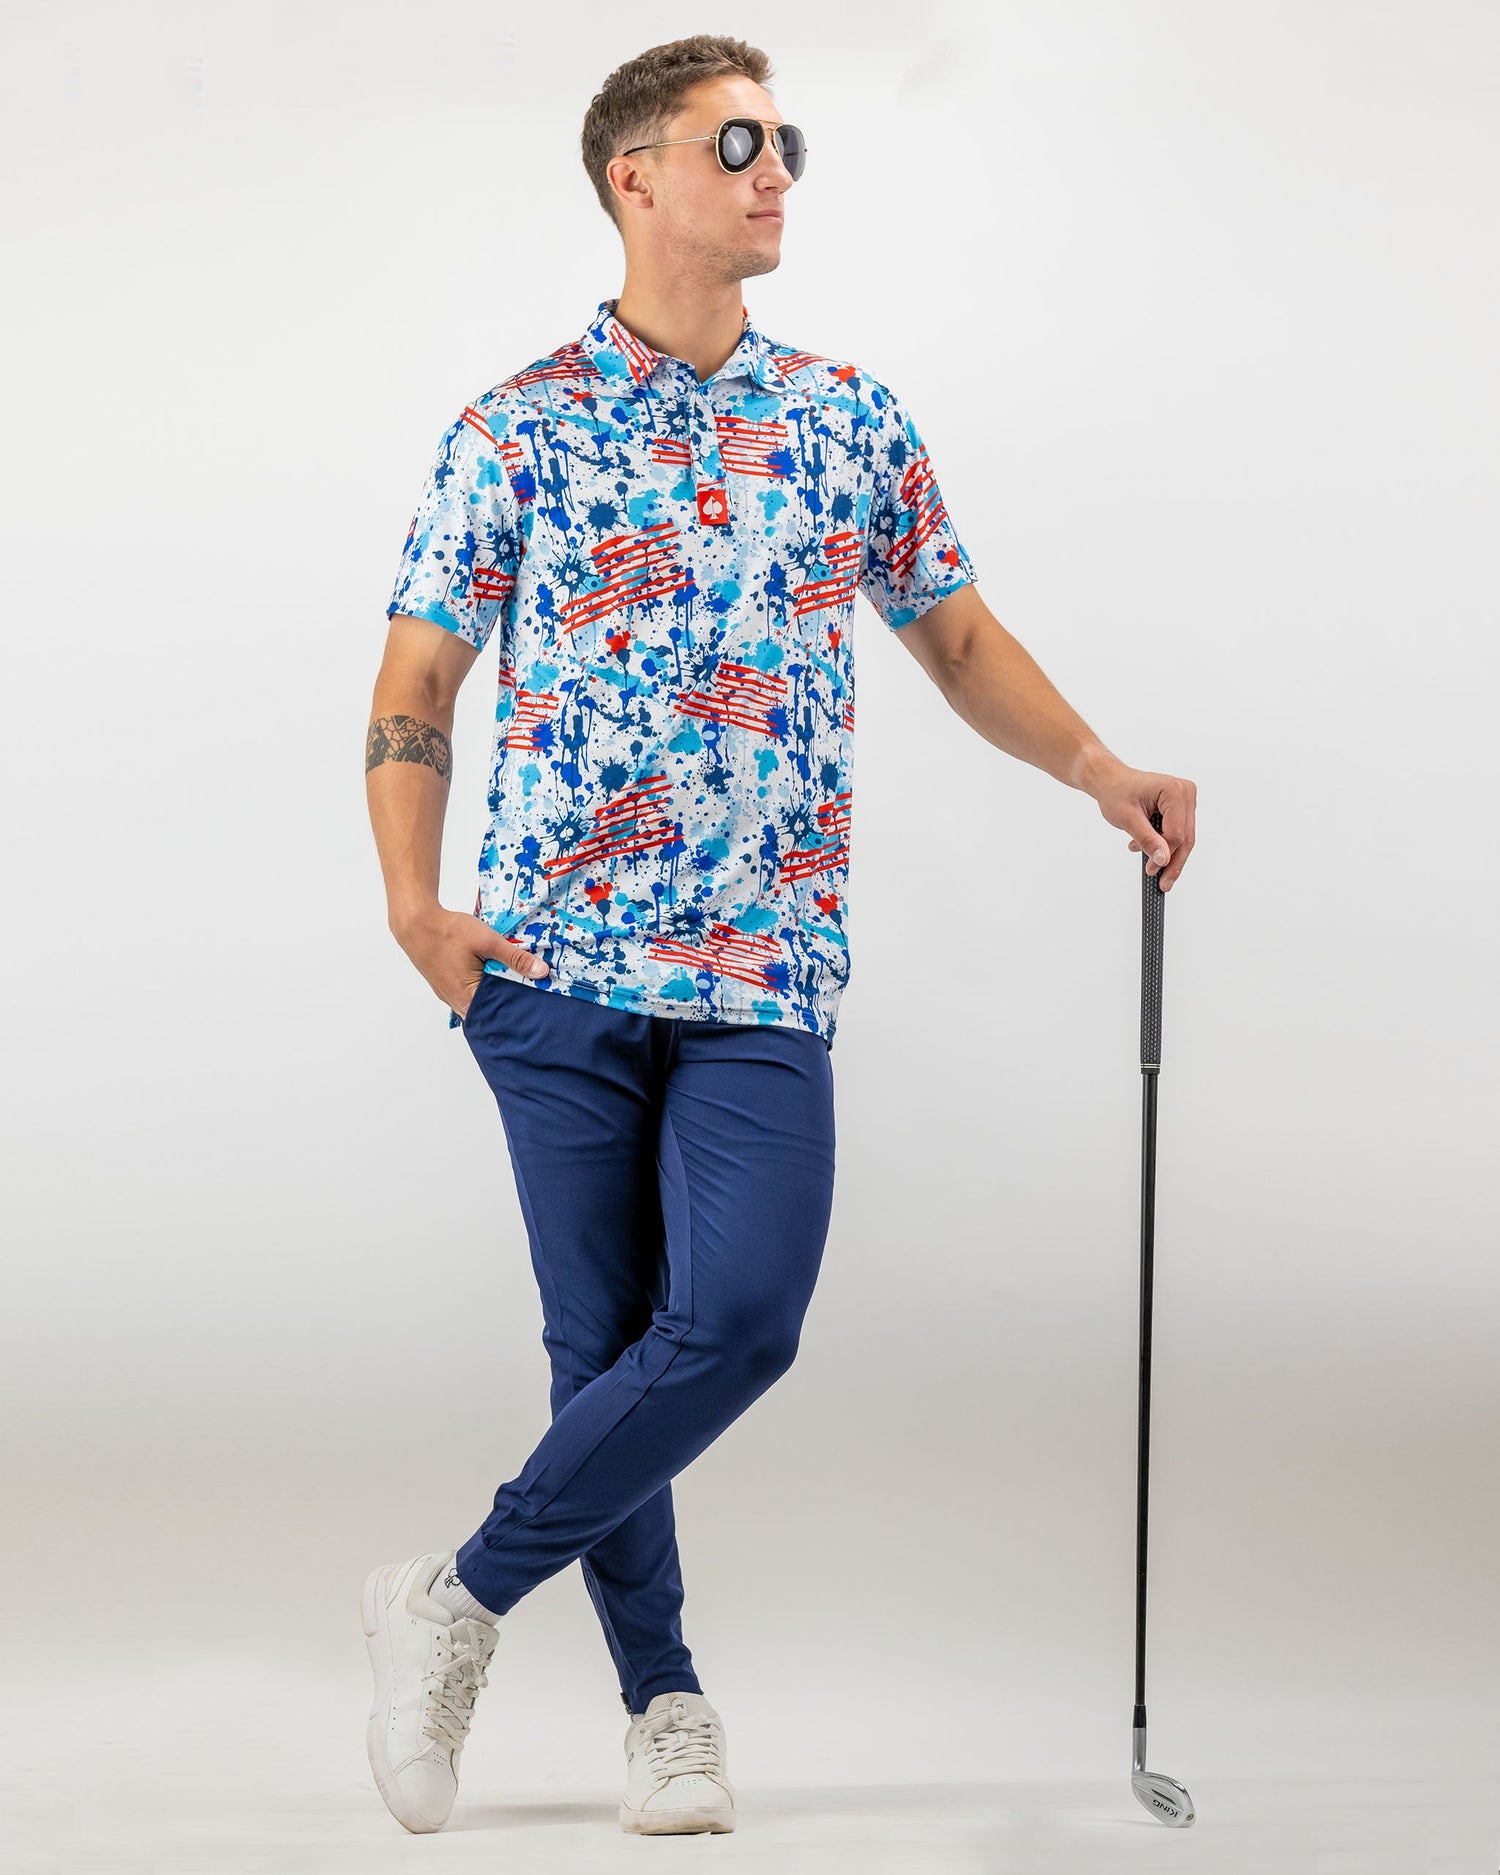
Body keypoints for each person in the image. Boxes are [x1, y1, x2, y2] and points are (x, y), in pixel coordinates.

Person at [359, 32, 1197, 1842]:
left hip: (762, 970)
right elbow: (419, 679)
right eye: (735, 143)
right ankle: (666, 1707)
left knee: (736, 1322)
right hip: (556, 969)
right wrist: (420, 912)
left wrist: (1096, 767)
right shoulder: (514, 427)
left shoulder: (846, 420)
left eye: (785, 140)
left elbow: (954, 636)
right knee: (603, 1345)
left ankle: (456, 1597)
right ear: (634, 178)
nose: (776, 171)